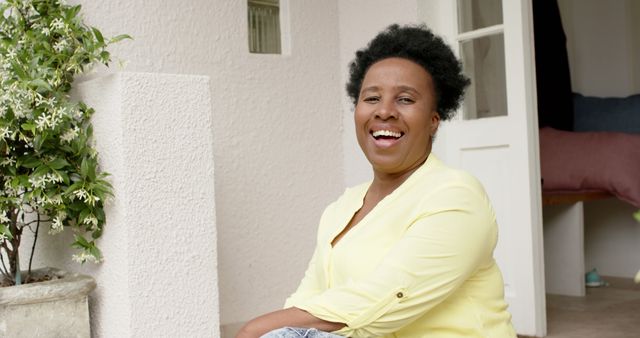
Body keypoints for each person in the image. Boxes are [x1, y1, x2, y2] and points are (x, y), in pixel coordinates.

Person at [236, 24, 517, 338]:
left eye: (406, 100)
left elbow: (386, 298)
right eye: (371, 98)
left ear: (433, 121)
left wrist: (253, 330)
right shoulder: (341, 209)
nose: (384, 111)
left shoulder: (456, 196)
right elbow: (308, 301)